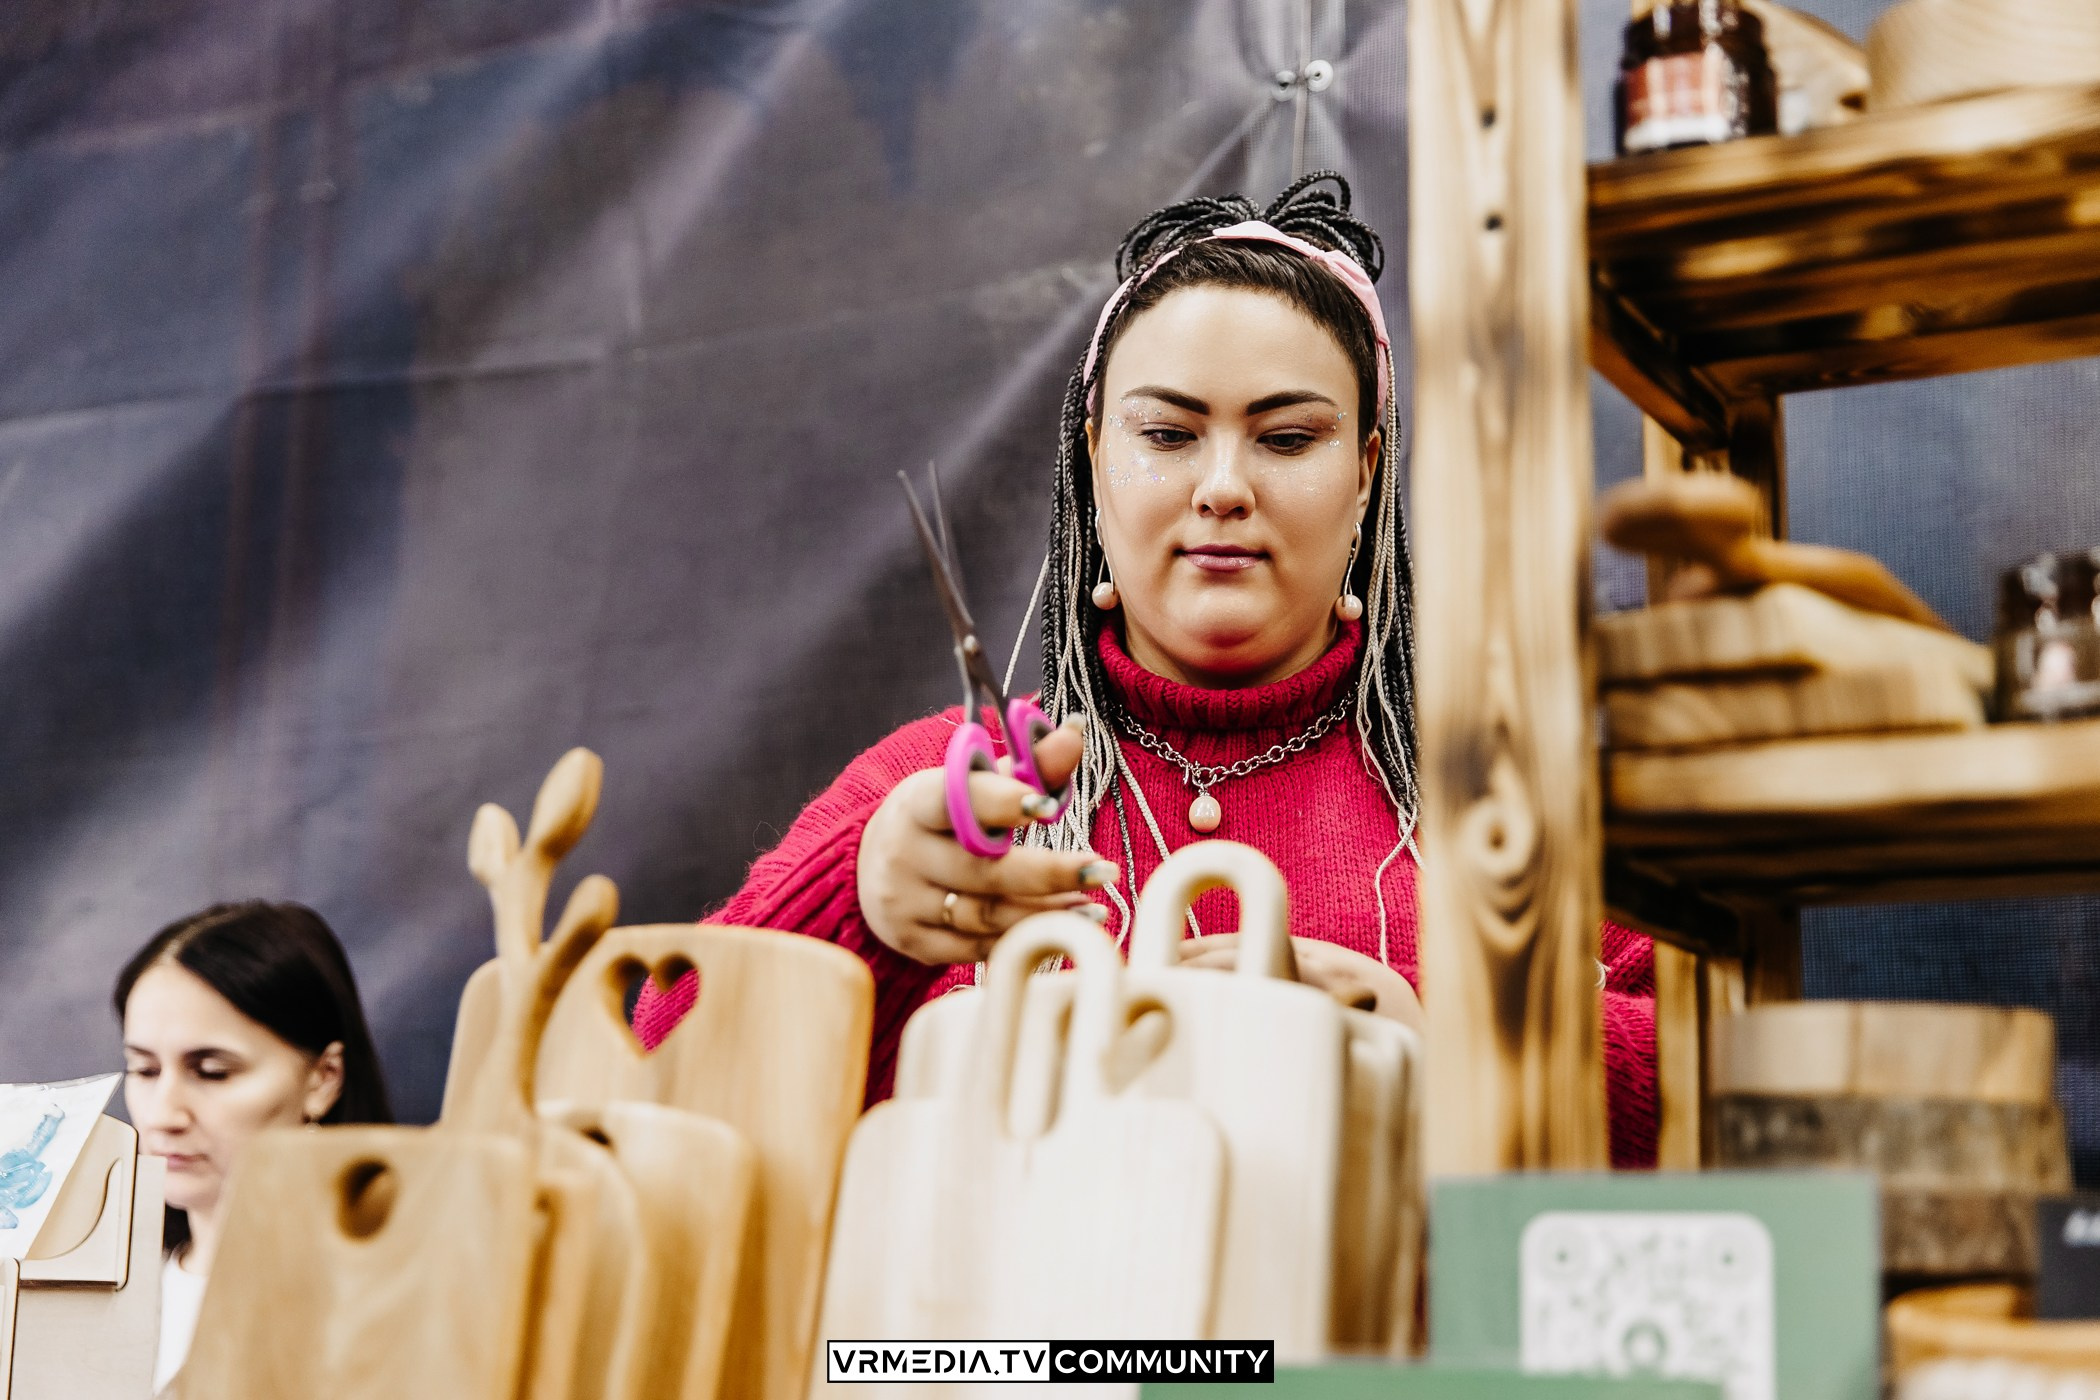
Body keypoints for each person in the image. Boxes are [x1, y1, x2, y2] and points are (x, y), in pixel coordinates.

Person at [637, 173, 1657, 1165]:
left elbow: (1719, 1100)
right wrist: (861, 903)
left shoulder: (1508, 804)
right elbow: (658, 1070)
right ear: (1090, 459)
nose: (1222, 486)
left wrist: (1457, 1037)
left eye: (1287, 437)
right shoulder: (951, 792)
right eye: (1167, 434)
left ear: (1365, 474)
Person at [115, 901, 393, 1395]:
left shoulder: (393, 1298)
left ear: (323, 1079)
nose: (163, 1114)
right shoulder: (91, 1292)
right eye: (145, 1070)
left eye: (212, 1071)